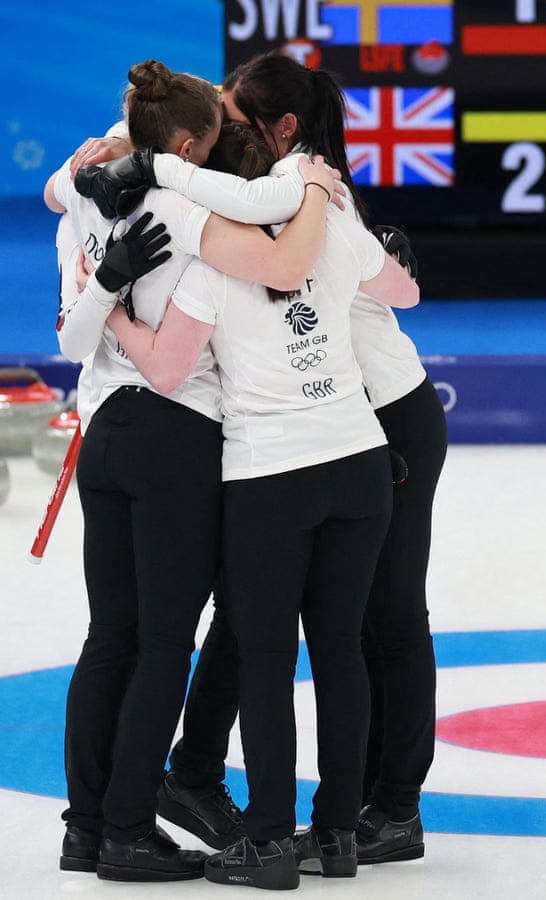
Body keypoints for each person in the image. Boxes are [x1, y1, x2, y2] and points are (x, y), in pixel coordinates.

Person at [91, 50, 448, 867]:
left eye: (232, 118)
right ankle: (228, 783)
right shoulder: (253, 196)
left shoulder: (297, 194)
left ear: (278, 133)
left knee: (378, 617)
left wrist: (101, 298)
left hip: (381, 413)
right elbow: (164, 133)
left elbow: (386, 288)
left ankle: (386, 806)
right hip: (334, 427)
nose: (214, 129)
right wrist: (113, 155)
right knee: (261, 610)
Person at [45, 59, 339, 882]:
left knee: (111, 637)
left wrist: (98, 156)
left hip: (101, 425)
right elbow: (281, 264)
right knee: (167, 641)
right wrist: (315, 187)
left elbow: (56, 195)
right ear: (185, 144)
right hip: (172, 436)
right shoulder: (184, 207)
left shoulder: (81, 188)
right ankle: (130, 829)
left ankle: (88, 824)